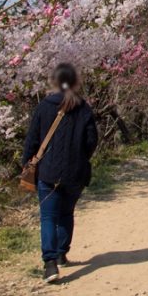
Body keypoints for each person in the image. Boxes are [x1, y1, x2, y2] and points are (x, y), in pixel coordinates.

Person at [22, 63, 98, 284]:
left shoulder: (44, 107)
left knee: (48, 216)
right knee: (66, 213)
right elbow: (91, 141)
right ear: (75, 81)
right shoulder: (84, 108)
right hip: (76, 173)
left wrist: (26, 163)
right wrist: (80, 158)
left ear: (54, 81)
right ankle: (62, 252)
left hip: (47, 171)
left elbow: (32, 140)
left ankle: (50, 263)